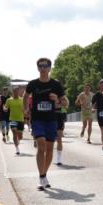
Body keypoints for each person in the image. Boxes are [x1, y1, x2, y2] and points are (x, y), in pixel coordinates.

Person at [25, 58, 66, 191]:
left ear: (49, 68)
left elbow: (66, 103)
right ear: (38, 68)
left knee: (49, 149)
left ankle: (44, 174)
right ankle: (41, 176)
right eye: (40, 66)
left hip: (51, 120)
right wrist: (25, 108)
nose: (43, 68)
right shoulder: (32, 84)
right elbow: (26, 96)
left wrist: (57, 99)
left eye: (45, 66)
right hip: (37, 119)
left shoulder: (56, 85)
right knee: (41, 145)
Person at [5, 86, 26, 155]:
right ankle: (17, 149)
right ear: (13, 92)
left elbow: (25, 108)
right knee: (14, 132)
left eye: (17, 91)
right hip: (12, 119)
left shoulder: (22, 100)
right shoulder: (9, 100)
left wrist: (25, 111)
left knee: (20, 136)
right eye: (14, 91)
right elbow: (6, 107)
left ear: (19, 92)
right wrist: (4, 108)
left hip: (21, 119)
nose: (16, 92)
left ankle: (18, 141)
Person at [55, 87, 69, 166]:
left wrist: (60, 101)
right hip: (50, 116)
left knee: (59, 138)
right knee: (48, 139)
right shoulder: (48, 94)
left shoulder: (61, 96)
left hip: (59, 116)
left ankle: (59, 158)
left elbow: (66, 103)